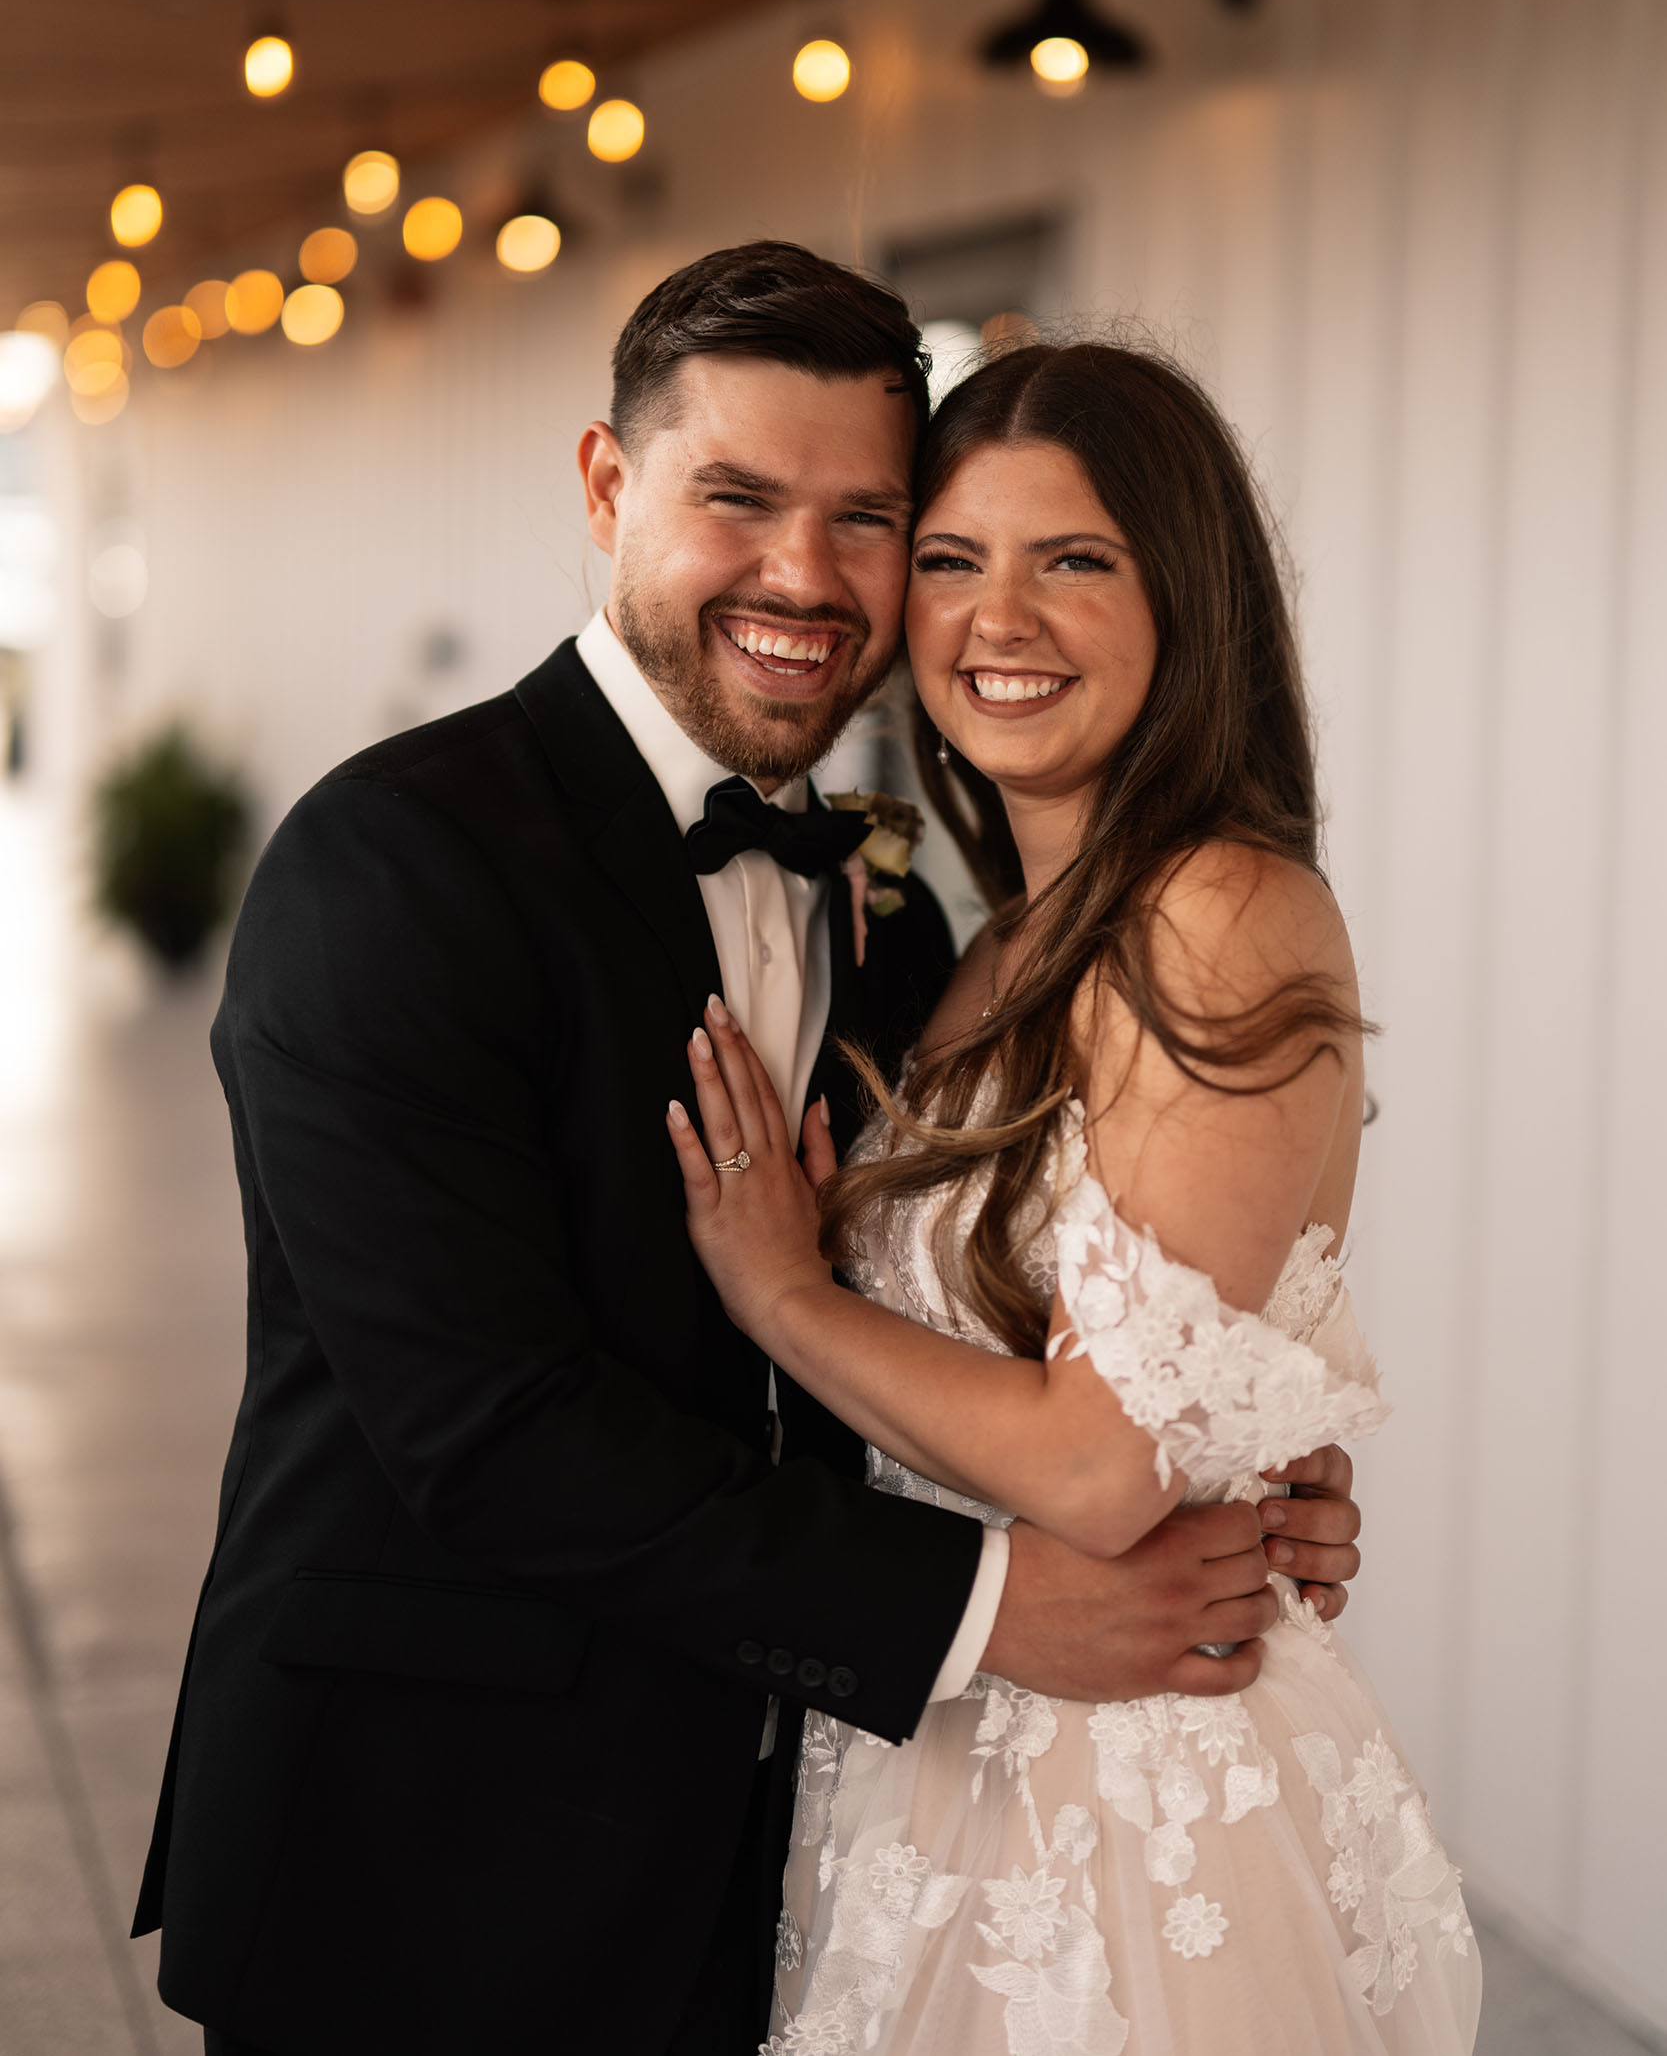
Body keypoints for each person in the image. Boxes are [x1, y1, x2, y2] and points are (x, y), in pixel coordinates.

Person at [133, 247, 1365, 2056]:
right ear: (609, 489)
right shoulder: (391, 867)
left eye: (870, 519)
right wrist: (1002, 1602)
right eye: (739, 499)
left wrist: (1236, 1454)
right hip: (430, 1863)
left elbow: (1019, 1326)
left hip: (780, 1861)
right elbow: (489, 1436)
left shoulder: (906, 930)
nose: (805, 575)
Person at [670, 338, 1481, 2054]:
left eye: (1074, 561)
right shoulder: (996, 948)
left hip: (1124, 1805)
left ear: (1187, 599)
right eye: (953, 562)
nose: (995, 620)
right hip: (949, 1743)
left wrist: (786, 1293)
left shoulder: (1220, 913)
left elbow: (1110, 1463)